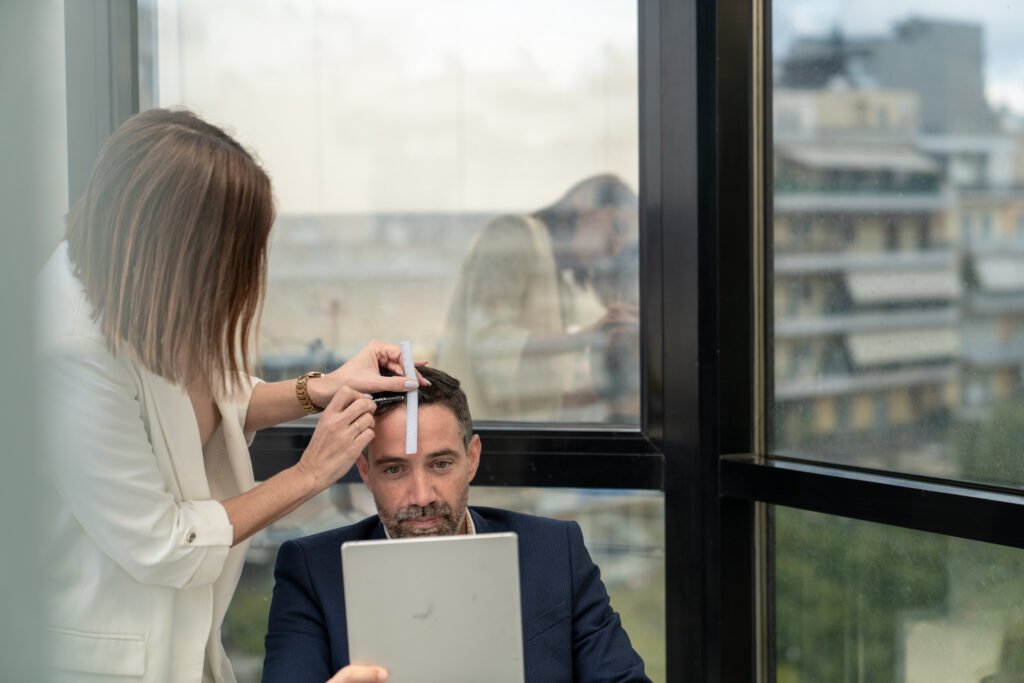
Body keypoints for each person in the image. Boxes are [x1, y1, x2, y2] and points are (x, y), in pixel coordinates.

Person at [38, 108, 425, 683]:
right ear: (178, 244)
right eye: (233, 252)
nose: (239, 273)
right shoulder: (70, 350)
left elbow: (213, 402)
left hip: (185, 640)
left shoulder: (140, 289)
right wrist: (310, 473)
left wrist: (321, 388)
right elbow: (164, 544)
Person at [262, 366, 650, 683]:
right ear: (365, 472)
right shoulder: (313, 571)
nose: (422, 495)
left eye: (441, 464)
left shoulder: (553, 550)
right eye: (394, 469)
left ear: (473, 458)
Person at [435, 174, 639, 422]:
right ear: (585, 204)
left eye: (625, 243)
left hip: (515, 440)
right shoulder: (512, 235)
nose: (615, 247)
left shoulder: (560, 282)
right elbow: (489, 345)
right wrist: (589, 335)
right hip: (475, 437)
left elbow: (531, 396)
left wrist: (612, 390)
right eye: (618, 227)